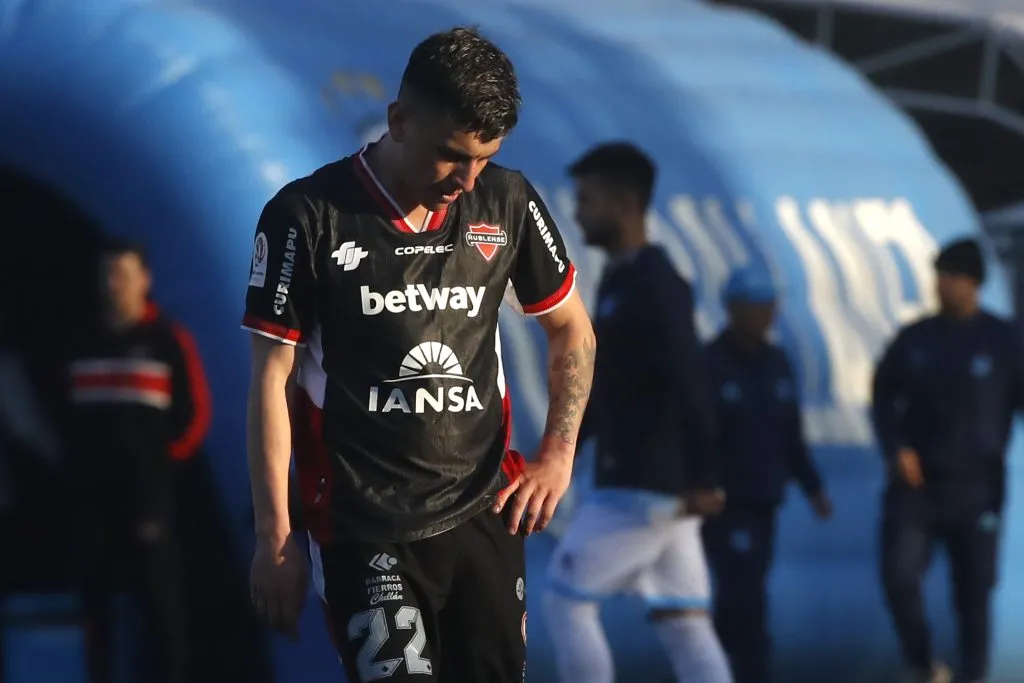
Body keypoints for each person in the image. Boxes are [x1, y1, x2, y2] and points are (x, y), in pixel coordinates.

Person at [241, 26, 595, 683]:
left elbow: (573, 331)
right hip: (363, 526)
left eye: (484, 158)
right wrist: (275, 537)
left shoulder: (509, 201)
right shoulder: (307, 215)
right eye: (451, 155)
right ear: (398, 120)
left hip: (485, 514)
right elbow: (271, 378)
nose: (466, 178)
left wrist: (558, 457)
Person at [542, 142, 731, 683]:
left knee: (565, 600)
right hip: (652, 487)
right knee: (684, 621)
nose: (577, 212)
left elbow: (691, 378)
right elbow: (606, 391)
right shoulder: (618, 280)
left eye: (587, 199)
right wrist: (564, 454)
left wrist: (705, 475)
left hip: (646, 484)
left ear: (623, 202)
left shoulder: (656, 283)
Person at [872, 238, 1021, 683]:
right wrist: (896, 447)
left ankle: (974, 675)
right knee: (899, 576)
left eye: (952, 275)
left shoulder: (1003, 340)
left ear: (973, 282)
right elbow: (882, 396)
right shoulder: (916, 339)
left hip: (978, 487)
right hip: (918, 487)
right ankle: (922, 665)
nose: (942, 284)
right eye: (939, 274)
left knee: (974, 594)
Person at [68, 240, 212, 683]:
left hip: (150, 498)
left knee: (159, 599)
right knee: (95, 600)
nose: (115, 285)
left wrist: (160, 471)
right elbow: (59, 413)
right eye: (108, 274)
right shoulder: (81, 340)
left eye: (124, 274)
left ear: (144, 280)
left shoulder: (167, 340)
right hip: (92, 497)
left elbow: (196, 415)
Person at [701, 265, 832, 683]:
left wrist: (813, 488)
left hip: (763, 502)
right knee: (735, 596)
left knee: (750, 594)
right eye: (760, 306)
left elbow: (791, 435)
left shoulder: (777, 363)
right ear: (735, 308)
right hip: (721, 504)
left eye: (772, 305)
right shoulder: (710, 364)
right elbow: (693, 437)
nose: (768, 315)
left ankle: (736, 671)